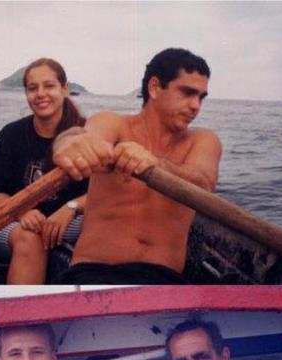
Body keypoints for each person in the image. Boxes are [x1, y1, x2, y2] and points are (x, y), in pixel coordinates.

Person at [52, 47, 222, 285]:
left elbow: (204, 183)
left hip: (162, 280)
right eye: (187, 93)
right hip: (93, 272)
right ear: (154, 88)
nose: (196, 106)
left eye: (201, 97)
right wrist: (69, 144)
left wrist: (155, 165)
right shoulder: (114, 123)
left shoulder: (203, 140)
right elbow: (83, 136)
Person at [0, 58, 88, 284]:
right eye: (33, 88)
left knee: (108, 225)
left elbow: (104, 193)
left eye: (49, 86)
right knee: (31, 238)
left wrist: (70, 208)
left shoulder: (85, 134)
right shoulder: (11, 135)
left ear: (64, 89)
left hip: (69, 221)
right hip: (15, 222)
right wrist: (21, 212)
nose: (40, 94)